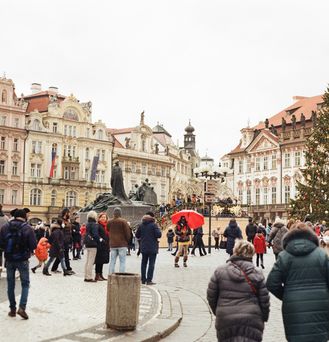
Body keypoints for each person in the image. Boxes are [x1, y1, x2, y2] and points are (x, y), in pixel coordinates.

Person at [266, 223, 329, 342]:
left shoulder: (284, 256)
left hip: (293, 305)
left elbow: (271, 283)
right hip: (320, 304)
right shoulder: (321, 255)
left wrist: (286, 295)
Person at [207, 240, 270, 342]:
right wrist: (264, 316)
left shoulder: (220, 271)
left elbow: (211, 296)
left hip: (225, 318)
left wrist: (219, 311)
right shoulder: (257, 273)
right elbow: (264, 299)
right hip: (251, 318)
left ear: (235, 251)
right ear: (252, 254)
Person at [0, 209, 37, 319]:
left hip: (9, 259)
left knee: (10, 284)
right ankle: (22, 308)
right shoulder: (28, 228)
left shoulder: (5, 227)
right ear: (24, 216)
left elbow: (1, 244)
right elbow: (33, 245)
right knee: (25, 284)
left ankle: (12, 309)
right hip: (23, 259)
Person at [135, 211, 162, 285]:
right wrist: (158, 229)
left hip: (144, 247)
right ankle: (149, 280)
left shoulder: (141, 225)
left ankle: (143, 279)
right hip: (152, 247)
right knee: (151, 264)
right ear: (152, 218)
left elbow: (137, 235)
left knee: (143, 263)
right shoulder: (154, 225)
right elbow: (158, 235)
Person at [107, 207, 131, 273]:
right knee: (122, 261)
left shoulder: (109, 222)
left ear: (113, 213)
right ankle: (121, 275)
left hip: (113, 244)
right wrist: (127, 241)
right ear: (120, 213)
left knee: (112, 261)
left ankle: (111, 275)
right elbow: (127, 233)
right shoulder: (123, 221)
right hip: (122, 244)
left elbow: (108, 229)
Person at [51, 208, 74, 274]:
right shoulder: (60, 220)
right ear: (65, 213)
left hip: (67, 238)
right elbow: (62, 228)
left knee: (60, 255)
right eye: (68, 213)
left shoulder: (67, 220)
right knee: (65, 254)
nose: (69, 214)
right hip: (62, 239)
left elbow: (69, 229)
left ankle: (54, 268)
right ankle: (68, 268)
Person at [84, 210, 102, 282]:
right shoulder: (94, 224)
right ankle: (89, 277)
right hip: (93, 244)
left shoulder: (88, 224)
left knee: (87, 261)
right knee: (91, 261)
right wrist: (99, 241)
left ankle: (86, 276)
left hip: (88, 243)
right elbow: (95, 235)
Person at [94, 212, 109, 281]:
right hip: (100, 245)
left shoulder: (106, 225)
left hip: (105, 245)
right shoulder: (98, 225)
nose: (103, 218)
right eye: (102, 217)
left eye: (104, 217)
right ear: (99, 218)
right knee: (98, 261)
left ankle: (100, 274)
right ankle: (97, 275)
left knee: (102, 260)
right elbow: (96, 235)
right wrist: (101, 240)